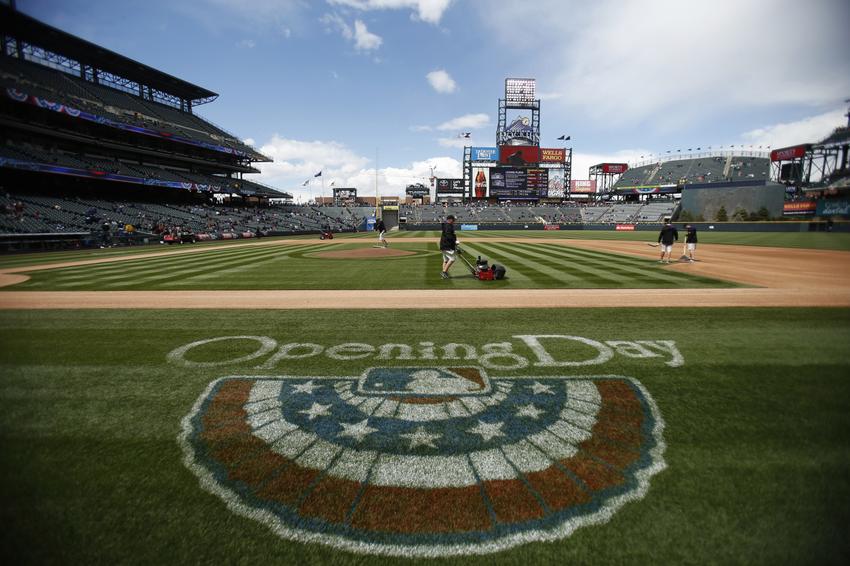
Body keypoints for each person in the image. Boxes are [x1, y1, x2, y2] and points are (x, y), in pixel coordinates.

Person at [440, 214, 457, 279]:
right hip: (447, 245)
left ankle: (444, 273)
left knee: (446, 260)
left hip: (443, 245)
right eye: (453, 220)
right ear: (450, 220)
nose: (454, 221)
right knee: (452, 259)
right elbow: (449, 236)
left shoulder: (445, 225)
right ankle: (444, 272)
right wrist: (454, 242)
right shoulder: (449, 226)